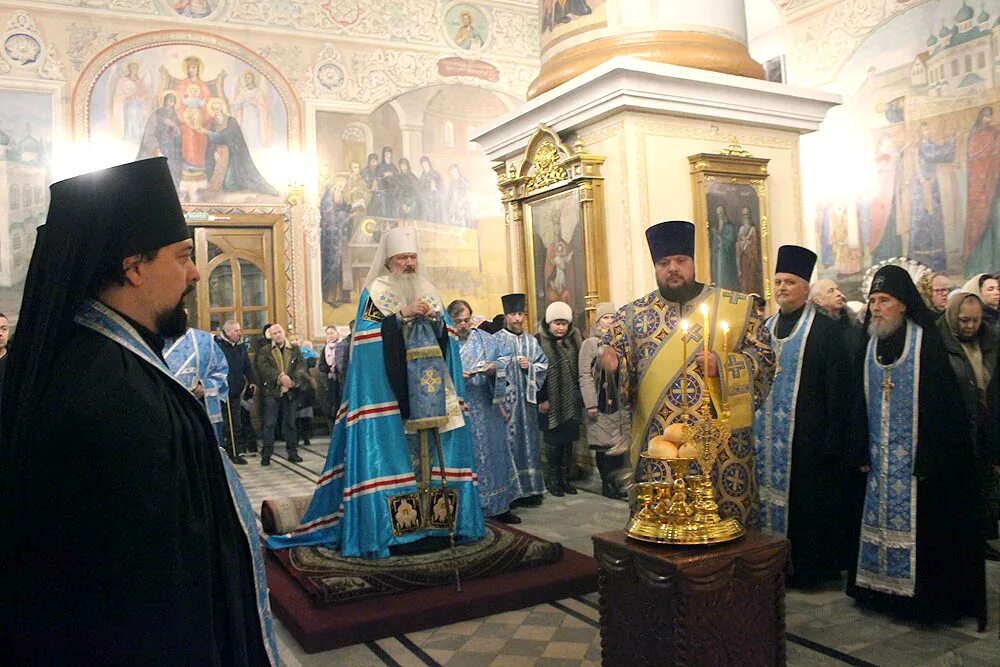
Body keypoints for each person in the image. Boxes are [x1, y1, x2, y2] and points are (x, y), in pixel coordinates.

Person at [0, 157, 276, 663]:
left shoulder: (93, 359)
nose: (194, 274)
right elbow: (145, 590)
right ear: (133, 267)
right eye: (183, 255)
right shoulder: (112, 392)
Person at [268, 227, 485, 558]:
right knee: (398, 459)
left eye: (413, 257)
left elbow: (448, 343)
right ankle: (399, 533)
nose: (410, 263)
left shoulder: (429, 290)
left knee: (432, 463)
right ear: (390, 261)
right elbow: (367, 343)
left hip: (431, 397)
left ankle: (439, 526)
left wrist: (439, 322)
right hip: (394, 400)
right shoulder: (376, 292)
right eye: (403, 258)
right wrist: (400, 317)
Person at [601, 220, 774, 527]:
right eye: (664, 263)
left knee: (724, 530)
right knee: (662, 529)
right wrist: (612, 367)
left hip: (719, 445)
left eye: (680, 261)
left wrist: (723, 366)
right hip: (659, 445)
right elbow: (615, 373)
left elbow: (763, 358)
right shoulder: (630, 317)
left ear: (694, 263)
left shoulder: (735, 306)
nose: (673, 269)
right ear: (655, 267)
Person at [846, 265, 985, 627]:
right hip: (878, 462)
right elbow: (855, 403)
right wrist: (860, 449)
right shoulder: (868, 342)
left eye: (884, 300)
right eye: (873, 301)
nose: (876, 308)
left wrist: (929, 455)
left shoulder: (927, 342)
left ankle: (918, 600)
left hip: (918, 466)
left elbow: (944, 409)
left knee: (926, 536)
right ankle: (878, 591)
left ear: (904, 304)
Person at [753, 246, 851, 586]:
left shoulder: (825, 331)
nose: (782, 288)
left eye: (790, 282)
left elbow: (839, 390)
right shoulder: (764, 328)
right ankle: (768, 563)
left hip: (808, 440)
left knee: (807, 508)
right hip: (766, 441)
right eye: (778, 281)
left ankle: (807, 570)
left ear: (806, 288)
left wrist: (832, 438)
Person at [938, 291, 1000, 561]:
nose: (970, 326)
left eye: (975, 320)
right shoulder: (939, 341)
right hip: (956, 425)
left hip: (985, 424)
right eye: (964, 320)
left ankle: (982, 538)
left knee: (983, 487)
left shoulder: (991, 340)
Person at [450, 299, 520, 523]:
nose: (463, 325)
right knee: (467, 458)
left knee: (494, 455)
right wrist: (453, 379)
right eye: (458, 321)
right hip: (459, 411)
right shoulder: (444, 344)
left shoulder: (485, 339)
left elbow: (504, 359)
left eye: (466, 320)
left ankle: (500, 507)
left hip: (486, 407)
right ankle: (469, 509)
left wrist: (494, 369)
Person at [494, 293, 549, 506]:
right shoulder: (496, 340)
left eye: (521, 314)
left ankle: (531, 489)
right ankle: (512, 491)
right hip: (506, 405)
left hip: (527, 405)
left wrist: (531, 368)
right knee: (508, 445)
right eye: (513, 314)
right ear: (506, 316)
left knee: (529, 444)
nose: (518, 319)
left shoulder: (531, 341)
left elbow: (543, 365)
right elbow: (490, 367)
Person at [579, 302, 629, 499]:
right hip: (600, 402)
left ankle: (618, 484)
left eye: (612, 317)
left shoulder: (620, 342)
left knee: (618, 445)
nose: (609, 321)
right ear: (598, 321)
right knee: (603, 446)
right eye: (605, 318)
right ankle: (607, 484)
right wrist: (590, 402)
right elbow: (584, 374)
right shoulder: (590, 344)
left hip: (619, 402)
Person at [536, 301, 583, 497]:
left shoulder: (575, 340)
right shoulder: (538, 341)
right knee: (553, 442)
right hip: (550, 401)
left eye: (564, 323)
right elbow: (536, 373)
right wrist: (542, 398)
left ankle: (565, 479)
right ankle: (553, 480)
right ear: (549, 323)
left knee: (568, 441)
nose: (561, 327)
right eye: (557, 323)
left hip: (570, 400)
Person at [164, 323, 230, 447]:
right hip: (166, 409)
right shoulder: (150, 342)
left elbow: (221, 370)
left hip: (198, 408)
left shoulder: (204, 341)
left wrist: (204, 386)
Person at [255, 323, 307, 465]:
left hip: (290, 390)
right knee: (269, 424)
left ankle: (293, 453)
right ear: (271, 335)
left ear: (284, 333)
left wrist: (291, 381)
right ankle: (266, 455)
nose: (278, 335)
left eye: (279, 332)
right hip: (272, 391)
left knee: (290, 423)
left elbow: (301, 366)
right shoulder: (265, 350)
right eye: (274, 333)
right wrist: (279, 378)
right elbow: (264, 368)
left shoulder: (295, 349)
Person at [215, 319, 257, 461]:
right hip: (222, 391)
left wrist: (252, 381)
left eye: (239, 330)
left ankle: (237, 451)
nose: (239, 333)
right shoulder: (217, 346)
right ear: (227, 332)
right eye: (236, 330)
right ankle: (228, 452)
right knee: (227, 424)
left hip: (236, 390)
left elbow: (247, 365)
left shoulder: (241, 346)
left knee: (236, 422)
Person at [810, 277, 862, 353]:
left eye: (837, 289)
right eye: (831, 291)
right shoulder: (815, 328)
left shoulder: (853, 323)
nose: (839, 294)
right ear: (818, 301)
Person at [318, 324, 342, 426]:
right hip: (330, 380)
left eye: (332, 333)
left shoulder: (342, 345)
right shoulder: (325, 349)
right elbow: (321, 365)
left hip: (341, 379)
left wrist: (337, 368)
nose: (330, 335)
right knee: (332, 405)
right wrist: (329, 368)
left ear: (337, 333)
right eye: (327, 333)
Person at [710, 206, 738, 291]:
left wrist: (719, 237)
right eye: (718, 214)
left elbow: (730, 242)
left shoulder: (729, 227)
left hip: (727, 260)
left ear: (724, 213)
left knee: (725, 278)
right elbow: (714, 244)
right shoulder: (717, 228)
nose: (720, 216)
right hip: (718, 258)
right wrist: (716, 237)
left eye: (721, 213)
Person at [963, 273, 1000, 338]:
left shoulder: (996, 315)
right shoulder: (977, 320)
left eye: (998, 289)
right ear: (978, 292)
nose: (997, 293)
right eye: (990, 289)